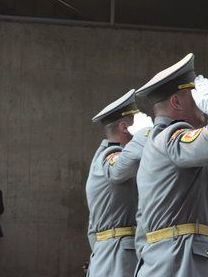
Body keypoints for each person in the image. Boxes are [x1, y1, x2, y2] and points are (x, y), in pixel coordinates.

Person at [134, 53, 208, 277]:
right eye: (195, 94)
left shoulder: (159, 143)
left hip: (171, 261)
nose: (201, 102)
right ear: (176, 102)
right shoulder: (172, 138)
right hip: (178, 263)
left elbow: (141, 224)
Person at [86, 89, 153, 277]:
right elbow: (124, 165)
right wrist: (145, 133)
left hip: (114, 251)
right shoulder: (111, 157)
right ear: (125, 127)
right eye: (137, 122)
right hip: (117, 255)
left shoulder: (106, 156)